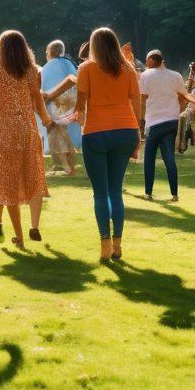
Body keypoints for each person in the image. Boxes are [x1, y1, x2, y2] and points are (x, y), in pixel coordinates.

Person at [75, 28, 140, 262]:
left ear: (93, 46)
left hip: (96, 132)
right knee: (116, 191)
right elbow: (136, 101)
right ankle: (117, 245)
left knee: (100, 193)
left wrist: (75, 115)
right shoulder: (128, 69)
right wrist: (138, 134)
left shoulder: (86, 68)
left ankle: (104, 245)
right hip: (126, 131)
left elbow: (81, 103)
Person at [0, 31, 53, 247]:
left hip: (4, 129)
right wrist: (47, 120)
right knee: (33, 176)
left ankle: (19, 237)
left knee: (7, 180)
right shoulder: (32, 70)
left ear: (0, 48)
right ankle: (35, 226)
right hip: (28, 129)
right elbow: (38, 102)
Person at [139, 50, 191, 201]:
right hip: (172, 121)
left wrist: (141, 121)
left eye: (147, 60)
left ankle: (148, 193)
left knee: (149, 157)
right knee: (169, 158)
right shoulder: (176, 75)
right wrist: (177, 112)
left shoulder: (146, 75)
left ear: (153, 60)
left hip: (155, 122)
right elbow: (184, 98)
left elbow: (142, 99)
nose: (146, 63)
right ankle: (174, 194)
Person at [39, 40, 79, 177]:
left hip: (57, 104)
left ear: (50, 52)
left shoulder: (49, 67)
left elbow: (45, 88)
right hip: (72, 104)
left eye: (46, 52)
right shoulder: (70, 63)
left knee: (55, 131)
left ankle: (67, 166)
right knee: (62, 131)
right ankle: (68, 164)